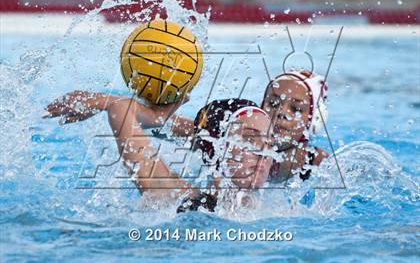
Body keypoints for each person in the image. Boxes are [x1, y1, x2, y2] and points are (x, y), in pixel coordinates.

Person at [44, 93, 274, 212]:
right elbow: (120, 110)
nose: (263, 153)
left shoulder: (268, 208)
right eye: (250, 139)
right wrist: (157, 118)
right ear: (217, 147)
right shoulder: (176, 194)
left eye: (269, 143)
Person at [164, 70, 330, 183]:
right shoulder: (232, 138)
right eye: (273, 103)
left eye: (295, 109)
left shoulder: (314, 162)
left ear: (313, 120)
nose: (280, 113)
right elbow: (163, 124)